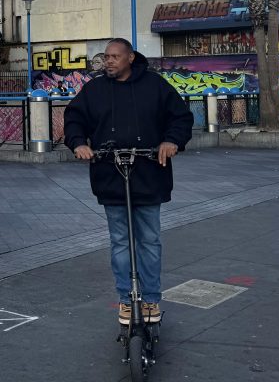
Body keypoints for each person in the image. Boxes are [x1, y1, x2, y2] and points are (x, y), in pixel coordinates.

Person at [64, 38, 193, 326]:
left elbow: (181, 118)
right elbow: (74, 118)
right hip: (110, 175)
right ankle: (125, 299)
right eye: (106, 57)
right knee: (120, 241)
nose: (108, 61)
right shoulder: (94, 89)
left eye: (114, 57)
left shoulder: (156, 86)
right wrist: (78, 144)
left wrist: (171, 141)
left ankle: (151, 299)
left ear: (130, 57)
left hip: (150, 175)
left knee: (149, 240)